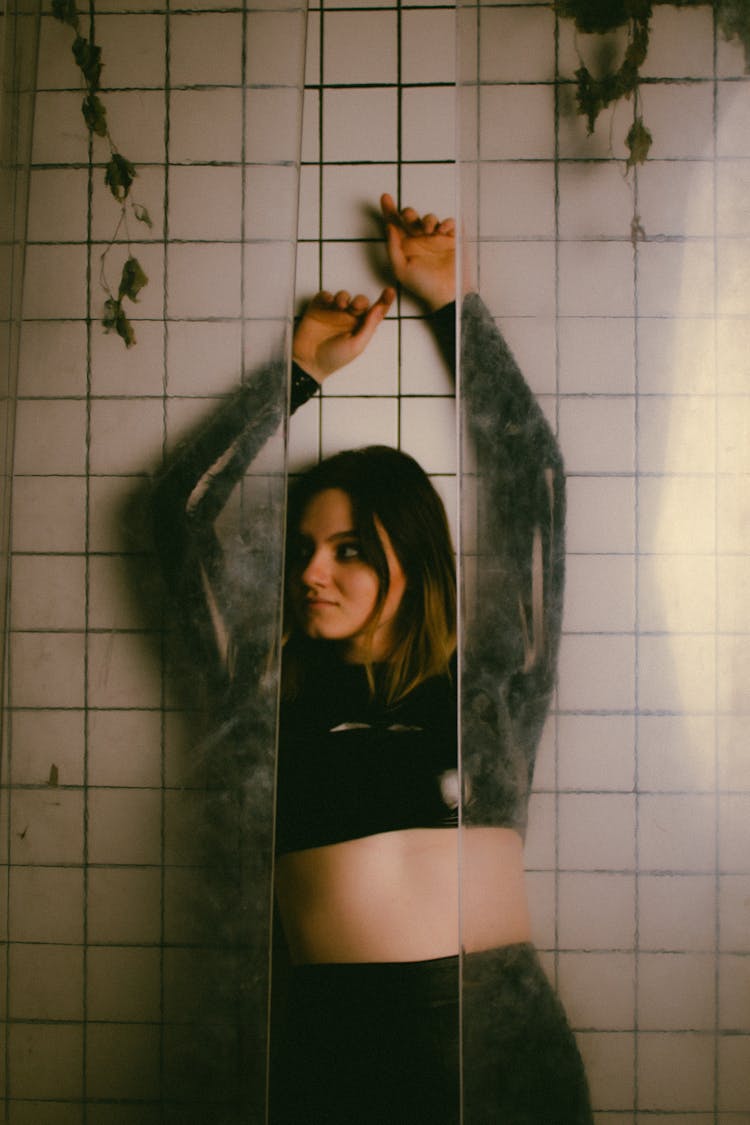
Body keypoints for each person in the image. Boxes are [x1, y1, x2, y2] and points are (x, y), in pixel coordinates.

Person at [153, 194, 592, 1123]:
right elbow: (174, 514)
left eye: (349, 547)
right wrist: (294, 373)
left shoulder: (496, 688)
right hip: (337, 1046)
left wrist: (450, 303)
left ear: (412, 555)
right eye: (306, 548)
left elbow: (534, 482)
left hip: (504, 1045)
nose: (312, 571)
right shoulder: (265, 689)